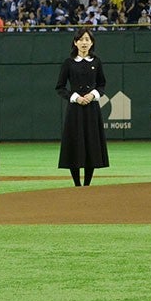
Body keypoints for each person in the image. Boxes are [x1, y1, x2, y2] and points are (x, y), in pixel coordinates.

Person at [56, 28, 109, 186]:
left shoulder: (96, 61)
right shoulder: (69, 62)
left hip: (92, 110)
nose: (84, 42)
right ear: (75, 42)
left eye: (87, 39)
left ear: (92, 42)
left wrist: (93, 95)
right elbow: (60, 87)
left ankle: (87, 184)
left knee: (91, 143)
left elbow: (102, 85)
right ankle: (77, 185)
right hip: (75, 110)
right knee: (75, 143)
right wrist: (75, 97)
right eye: (81, 39)